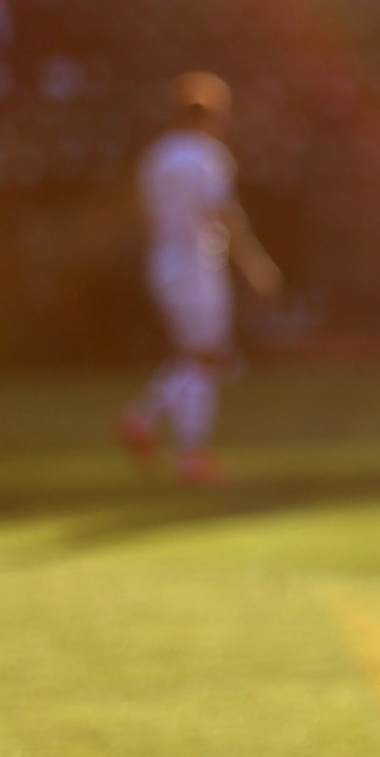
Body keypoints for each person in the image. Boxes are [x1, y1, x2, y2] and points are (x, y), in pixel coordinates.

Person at [118, 72, 281, 485]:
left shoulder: (157, 156)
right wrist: (255, 264)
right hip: (196, 261)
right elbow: (224, 213)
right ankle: (188, 453)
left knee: (197, 356)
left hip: (163, 259)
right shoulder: (207, 156)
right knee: (207, 356)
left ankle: (145, 421)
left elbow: (144, 213)